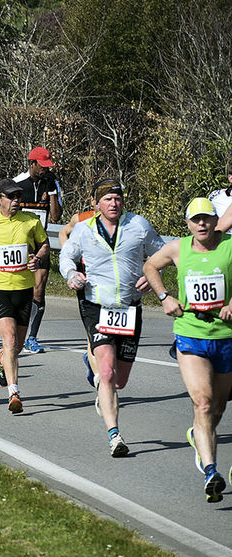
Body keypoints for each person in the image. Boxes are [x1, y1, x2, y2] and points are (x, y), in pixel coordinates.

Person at [59, 180, 163, 457]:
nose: (113, 203)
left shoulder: (138, 226)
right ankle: (115, 436)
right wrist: (72, 275)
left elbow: (160, 254)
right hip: (97, 305)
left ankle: (94, 369)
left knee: (119, 381)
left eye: (117, 198)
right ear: (96, 203)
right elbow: (66, 257)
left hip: (129, 307)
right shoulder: (83, 230)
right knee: (105, 372)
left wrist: (153, 277)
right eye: (107, 199)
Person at [144, 197, 232, 503]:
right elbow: (150, 265)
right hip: (190, 334)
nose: (202, 224)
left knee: (218, 408)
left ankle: (198, 436)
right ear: (188, 224)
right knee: (204, 403)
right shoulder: (178, 248)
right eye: (196, 220)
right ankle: (211, 471)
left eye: (207, 218)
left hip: (226, 336)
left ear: (215, 219)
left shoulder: (229, 246)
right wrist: (165, 296)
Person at [0, 178, 49, 414]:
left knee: (17, 346)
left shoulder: (31, 221)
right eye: (11, 197)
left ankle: (4, 359)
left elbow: (44, 244)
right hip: (0, 288)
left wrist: (37, 257)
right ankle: (14, 392)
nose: (16, 201)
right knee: (11, 339)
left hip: (24, 288)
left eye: (18, 197)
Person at [14, 146, 63, 353]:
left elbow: (56, 217)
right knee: (17, 291)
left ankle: (31, 337)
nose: (45, 170)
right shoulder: (18, 183)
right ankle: (14, 332)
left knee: (38, 291)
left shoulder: (51, 183)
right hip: (19, 245)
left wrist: (52, 192)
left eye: (47, 166)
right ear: (32, 163)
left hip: (41, 245)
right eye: (42, 166)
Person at [60, 201, 102, 387]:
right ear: (94, 201)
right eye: (102, 198)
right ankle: (101, 381)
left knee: (114, 339)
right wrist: (69, 261)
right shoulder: (81, 219)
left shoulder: (124, 222)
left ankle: (91, 360)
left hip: (114, 285)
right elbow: (63, 233)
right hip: (88, 284)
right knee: (93, 334)